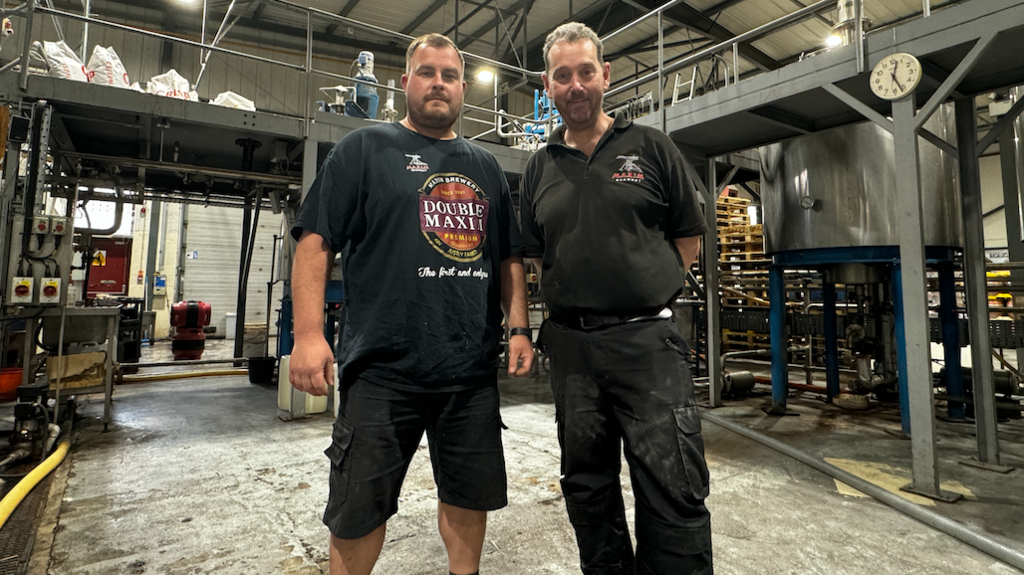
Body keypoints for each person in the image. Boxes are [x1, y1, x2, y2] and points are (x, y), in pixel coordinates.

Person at [288, 33, 534, 575]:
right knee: (357, 510)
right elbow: (315, 241)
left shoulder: (486, 166)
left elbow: (508, 257)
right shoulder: (364, 149)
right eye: (426, 72)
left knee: (469, 498)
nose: (438, 84)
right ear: (406, 82)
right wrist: (307, 336)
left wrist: (519, 329)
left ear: (463, 87)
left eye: (449, 75)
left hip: (467, 372)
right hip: (381, 370)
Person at [519, 22, 713, 575]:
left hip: (647, 341)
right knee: (587, 484)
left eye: (585, 72)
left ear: (605, 75)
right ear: (547, 85)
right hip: (572, 348)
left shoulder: (651, 146)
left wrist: (646, 285)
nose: (575, 85)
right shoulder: (538, 167)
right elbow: (537, 253)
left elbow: (687, 235)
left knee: (672, 480)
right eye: (562, 76)